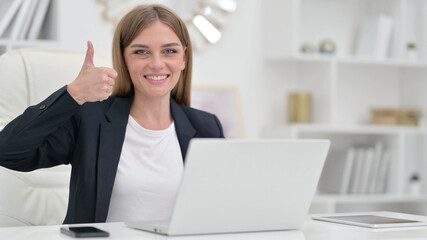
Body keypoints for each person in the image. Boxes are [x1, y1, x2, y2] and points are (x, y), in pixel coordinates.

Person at [0, 4, 224, 224]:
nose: (157, 63)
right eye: (141, 52)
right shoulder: (90, 119)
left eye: (169, 51)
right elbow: (8, 151)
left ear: (183, 58)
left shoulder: (206, 127)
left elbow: (221, 208)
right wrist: (73, 94)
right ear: (124, 59)